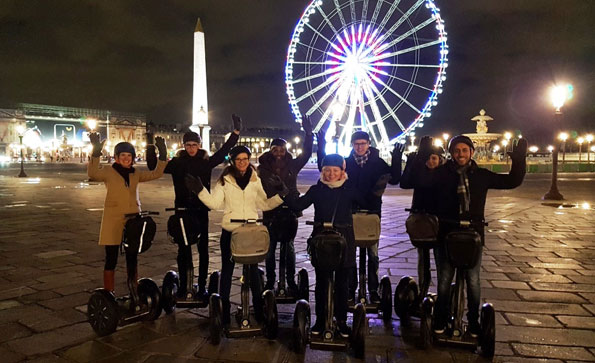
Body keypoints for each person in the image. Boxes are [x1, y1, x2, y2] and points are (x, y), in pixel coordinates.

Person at [411, 135, 527, 336]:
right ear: (451, 153)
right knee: (445, 279)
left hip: (473, 233)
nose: (460, 154)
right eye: (456, 150)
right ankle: (441, 320)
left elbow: (511, 181)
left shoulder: (481, 175)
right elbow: (418, 180)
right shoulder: (440, 174)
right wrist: (422, 156)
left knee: (473, 280)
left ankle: (473, 321)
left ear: (471, 152)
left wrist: (519, 160)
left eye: (464, 150)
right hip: (446, 233)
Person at [184, 145, 287, 327]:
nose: (242, 163)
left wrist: (281, 195)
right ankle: (223, 308)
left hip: (251, 230)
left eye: (245, 159)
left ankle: (258, 307)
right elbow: (215, 204)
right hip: (231, 230)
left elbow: (263, 204)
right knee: (228, 269)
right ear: (232, 161)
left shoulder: (256, 179)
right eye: (239, 159)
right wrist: (200, 190)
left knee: (253, 271)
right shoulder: (224, 180)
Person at [146, 115, 241, 299]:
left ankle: (202, 285)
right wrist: (152, 144)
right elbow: (152, 166)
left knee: (203, 249)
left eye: (194, 145)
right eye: (188, 145)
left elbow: (224, 151)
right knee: (183, 249)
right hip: (181, 210)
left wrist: (235, 133)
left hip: (200, 211)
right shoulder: (177, 163)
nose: (191, 148)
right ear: (184, 145)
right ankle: (184, 284)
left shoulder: (206, 162)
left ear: (199, 145)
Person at [286, 154, 374, 338]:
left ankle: (341, 321)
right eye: (327, 171)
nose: (331, 174)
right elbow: (298, 205)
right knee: (322, 283)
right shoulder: (316, 190)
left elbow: (368, 202)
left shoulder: (350, 189)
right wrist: (285, 190)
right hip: (322, 241)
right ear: (322, 171)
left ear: (342, 171)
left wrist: (375, 184)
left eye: (335, 170)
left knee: (342, 284)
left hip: (344, 240)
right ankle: (320, 320)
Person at [317, 130, 402, 303]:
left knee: (373, 253)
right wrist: (320, 146)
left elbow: (395, 179)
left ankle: (372, 288)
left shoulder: (378, 163)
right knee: (349, 253)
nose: (360, 147)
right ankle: (351, 287)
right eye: (356, 144)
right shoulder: (346, 163)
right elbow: (325, 169)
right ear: (352, 145)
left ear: (369, 144)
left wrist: (396, 160)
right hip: (349, 212)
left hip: (372, 212)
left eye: (363, 143)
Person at [87, 132, 168, 298]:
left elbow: (156, 174)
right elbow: (93, 173)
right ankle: (109, 293)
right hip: (113, 220)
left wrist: (163, 155)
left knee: (132, 257)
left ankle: (134, 289)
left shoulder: (135, 173)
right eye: (122, 155)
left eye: (129, 155)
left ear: (132, 157)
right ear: (116, 157)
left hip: (133, 219)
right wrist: (96, 151)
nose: (126, 158)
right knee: (111, 258)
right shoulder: (108, 172)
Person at [258, 115, 313, 293]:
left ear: (285, 151)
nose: (279, 153)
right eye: (275, 150)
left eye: (281, 150)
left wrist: (309, 134)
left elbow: (306, 153)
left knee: (288, 247)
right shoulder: (263, 167)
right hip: (271, 211)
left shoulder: (293, 165)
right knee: (270, 247)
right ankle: (271, 280)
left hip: (290, 210)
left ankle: (290, 280)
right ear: (271, 151)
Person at [400, 144, 445, 302]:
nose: (430, 162)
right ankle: (423, 288)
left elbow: (429, 183)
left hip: (439, 220)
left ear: (440, 160)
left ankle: (442, 290)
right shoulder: (420, 173)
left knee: (440, 257)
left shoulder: (443, 175)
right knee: (422, 256)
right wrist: (412, 163)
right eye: (428, 159)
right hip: (421, 220)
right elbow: (404, 183)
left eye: (434, 158)